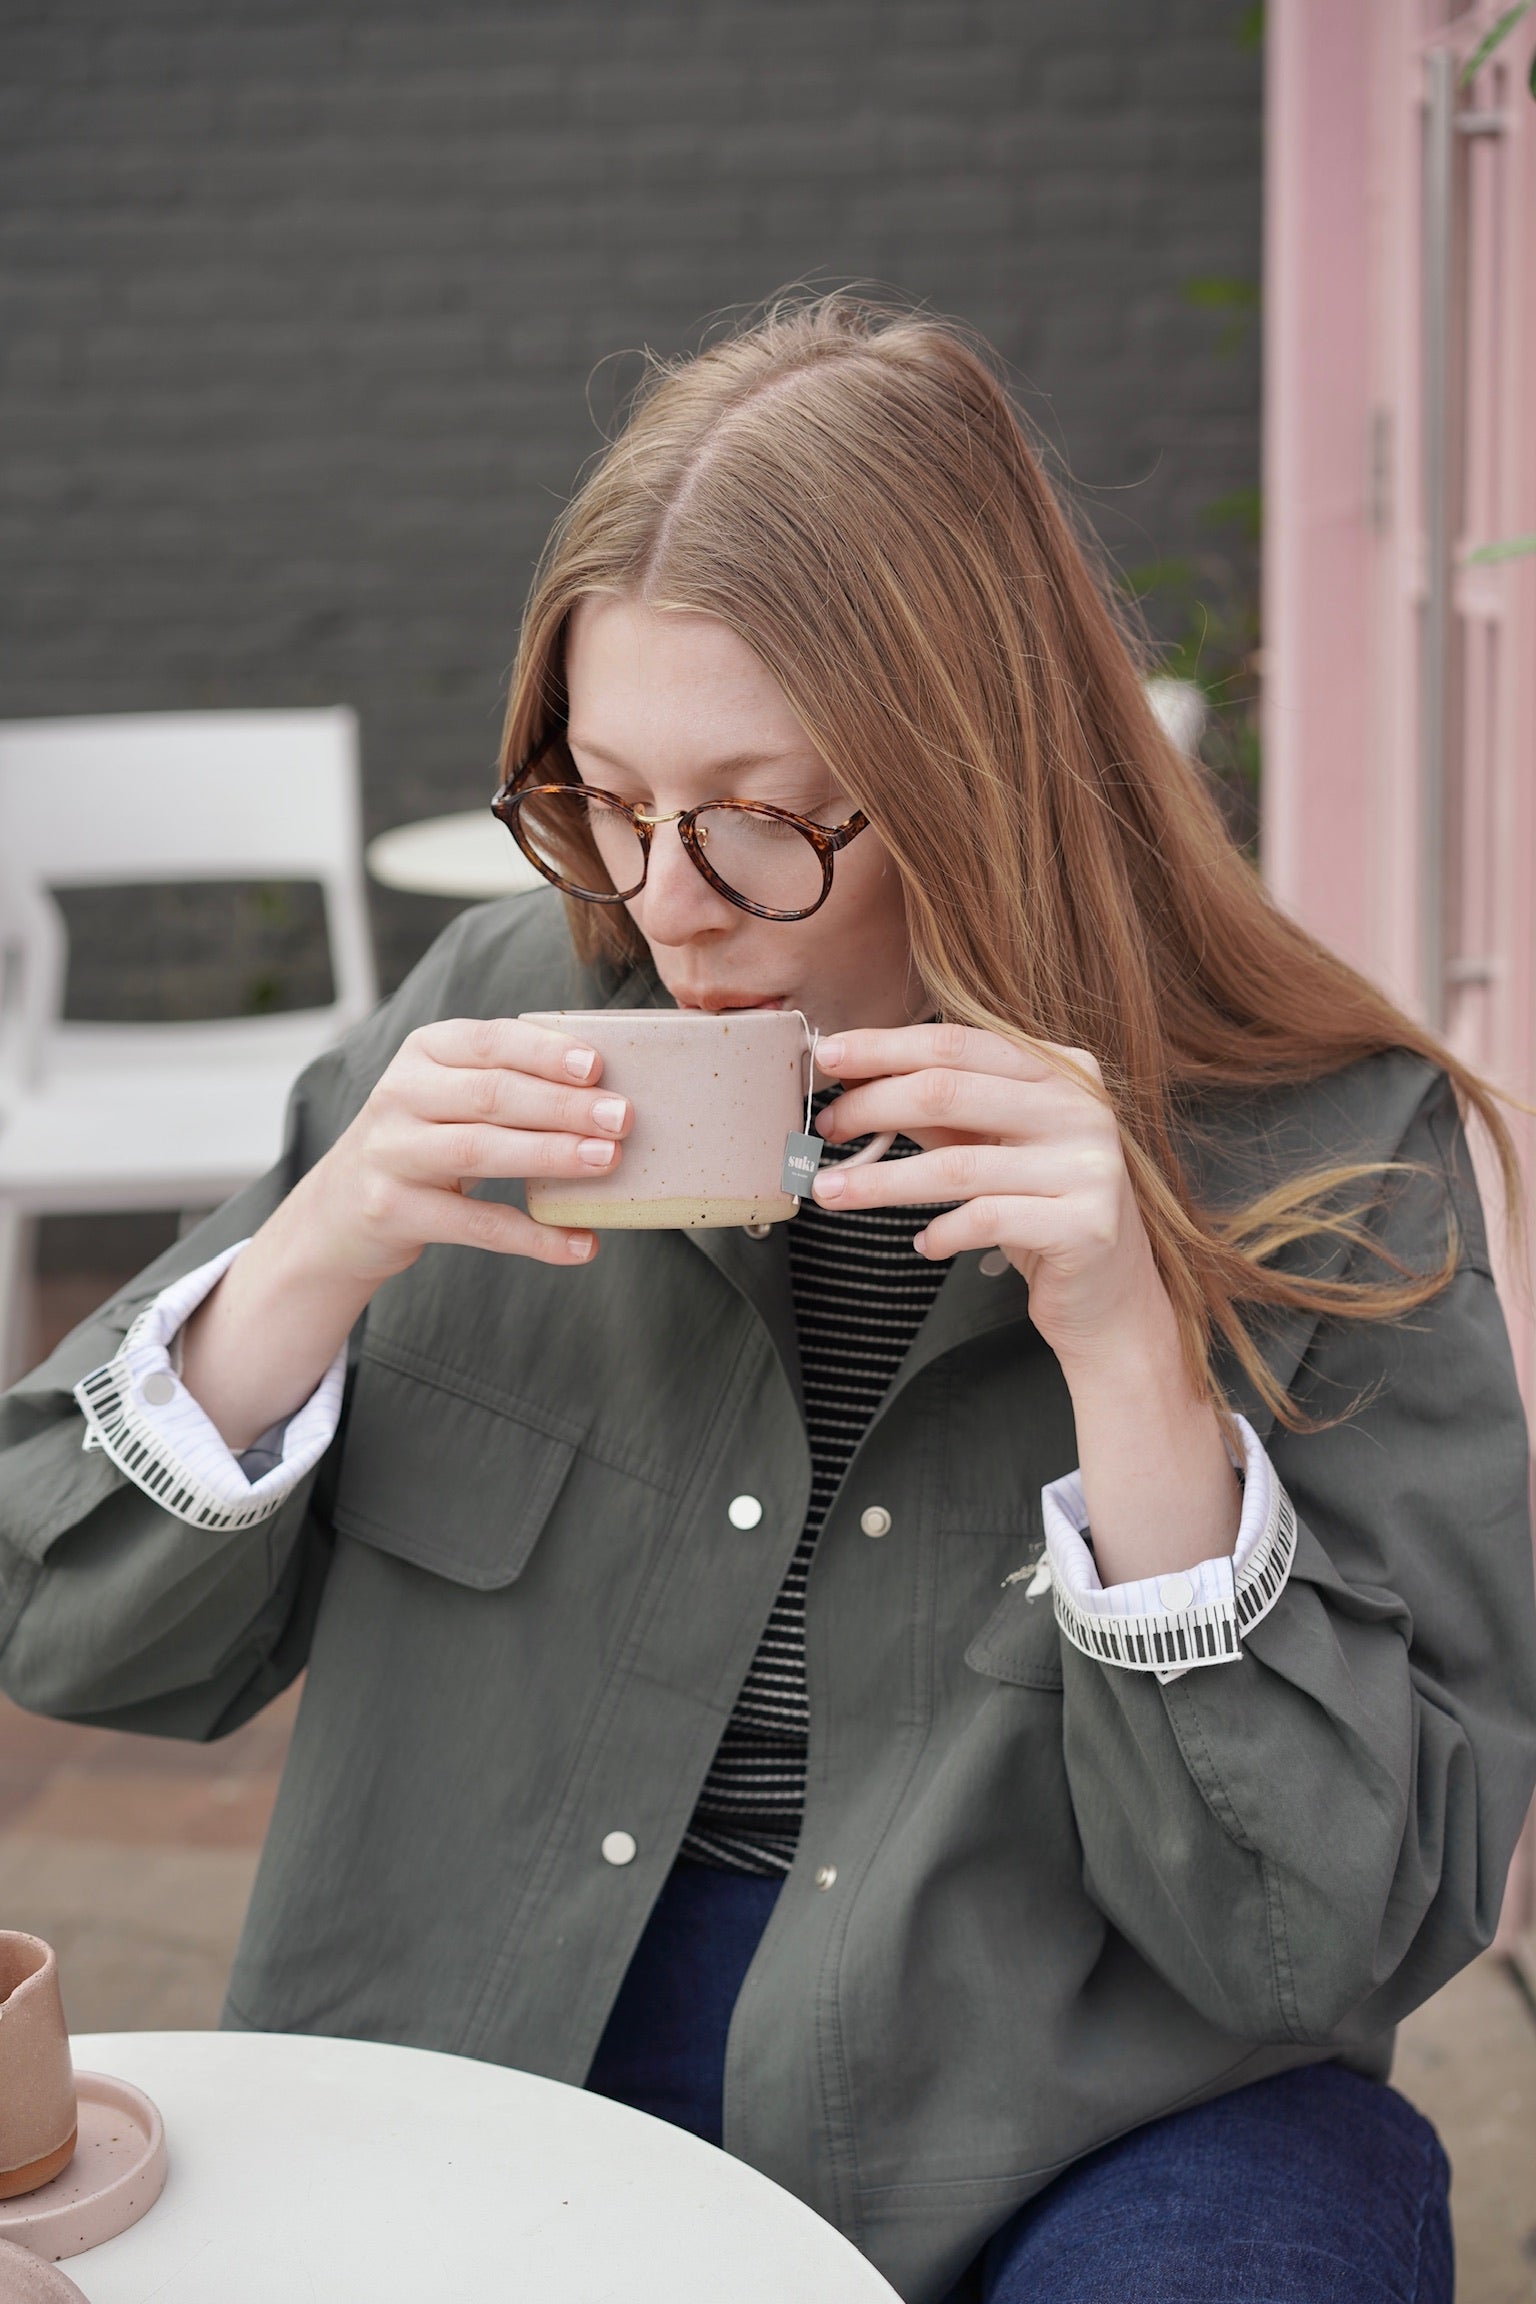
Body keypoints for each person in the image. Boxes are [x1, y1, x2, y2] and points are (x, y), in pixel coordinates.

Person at [2, 296, 1533, 2304]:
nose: (667, 899)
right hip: (490, 2032)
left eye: (761, 813)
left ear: (991, 777)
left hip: (1090, 2102)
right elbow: (69, 1627)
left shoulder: (1323, 1143)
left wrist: (1136, 1356)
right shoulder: (494, 1016)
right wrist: (308, 1259)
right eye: (608, 798)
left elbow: (1325, 1932)